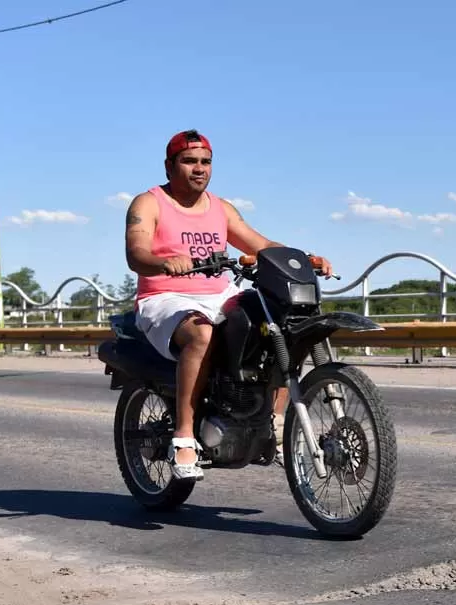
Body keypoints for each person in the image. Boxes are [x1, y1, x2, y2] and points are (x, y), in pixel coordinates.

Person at [123, 129, 332, 480]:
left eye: (205, 162)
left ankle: (275, 425)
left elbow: (261, 244)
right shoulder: (149, 203)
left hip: (218, 294)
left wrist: (302, 259)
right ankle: (184, 436)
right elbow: (136, 252)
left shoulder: (220, 208)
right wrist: (163, 262)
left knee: (278, 321)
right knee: (202, 333)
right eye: (189, 161)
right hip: (165, 297)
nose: (199, 169)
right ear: (169, 165)